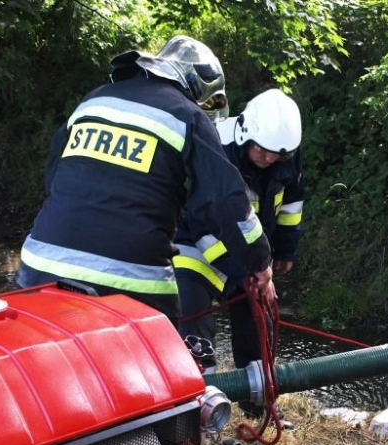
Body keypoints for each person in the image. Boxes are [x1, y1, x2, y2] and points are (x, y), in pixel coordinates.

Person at [16, 36, 273, 325]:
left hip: (40, 267)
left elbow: (53, 178)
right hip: (130, 278)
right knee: (162, 357)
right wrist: (259, 262)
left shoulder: (93, 100)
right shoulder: (188, 116)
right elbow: (226, 201)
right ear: (197, 87)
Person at [173, 89, 305, 419]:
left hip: (252, 253)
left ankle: (257, 405)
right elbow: (204, 225)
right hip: (196, 247)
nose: (270, 158)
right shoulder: (217, 150)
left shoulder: (283, 151)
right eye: (264, 150)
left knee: (260, 328)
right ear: (246, 134)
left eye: (278, 154)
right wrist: (244, 273)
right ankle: (197, 414)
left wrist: (285, 250)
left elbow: (291, 203)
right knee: (194, 330)